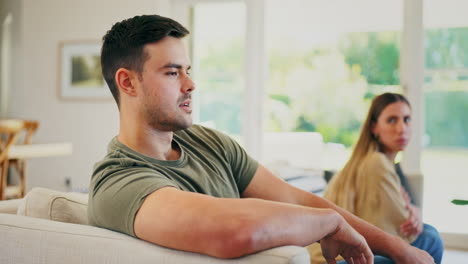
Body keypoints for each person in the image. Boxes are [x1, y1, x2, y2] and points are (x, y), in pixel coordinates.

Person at [88, 14, 436, 264]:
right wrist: (331, 223)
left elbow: (295, 198)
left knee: (420, 246)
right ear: (128, 82)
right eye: (171, 72)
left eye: (188, 70)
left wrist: (396, 246)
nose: (190, 84)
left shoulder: (208, 142)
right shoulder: (119, 181)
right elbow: (235, 231)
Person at [309, 93, 443, 263]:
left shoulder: (382, 161)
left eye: (407, 119)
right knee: (431, 239)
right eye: (392, 120)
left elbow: (406, 208)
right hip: (334, 259)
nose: (402, 128)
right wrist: (410, 213)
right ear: (374, 127)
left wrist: (414, 211)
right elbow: (399, 224)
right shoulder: (376, 163)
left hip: (331, 255)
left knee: (428, 232)